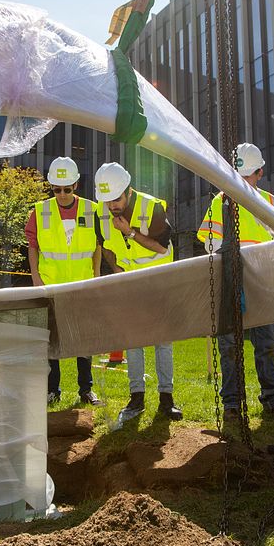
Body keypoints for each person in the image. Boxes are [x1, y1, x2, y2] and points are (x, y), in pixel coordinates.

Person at [197, 143, 274, 423]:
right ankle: (231, 404)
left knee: (266, 343)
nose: (241, 182)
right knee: (229, 345)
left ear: (260, 173)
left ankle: (273, 400)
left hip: (262, 282)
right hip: (231, 281)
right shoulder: (221, 202)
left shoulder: (271, 202)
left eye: (248, 175)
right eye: (237, 175)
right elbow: (208, 241)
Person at [94, 161, 181, 423]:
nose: (112, 205)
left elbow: (162, 249)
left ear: (128, 191)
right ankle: (136, 398)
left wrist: (129, 232)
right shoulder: (102, 212)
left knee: (162, 341)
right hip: (129, 282)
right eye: (107, 200)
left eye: (116, 199)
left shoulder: (150, 207)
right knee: (133, 340)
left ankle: (167, 399)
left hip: (158, 281)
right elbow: (105, 245)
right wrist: (116, 268)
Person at [27, 157, 106, 408]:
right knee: (52, 339)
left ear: (76, 185)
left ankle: (86, 389)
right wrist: (36, 278)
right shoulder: (39, 211)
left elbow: (98, 247)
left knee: (82, 338)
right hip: (51, 284)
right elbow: (33, 247)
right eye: (56, 189)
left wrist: (95, 276)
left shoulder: (92, 210)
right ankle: (52, 390)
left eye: (67, 189)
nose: (62, 194)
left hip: (82, 285)